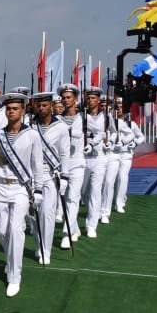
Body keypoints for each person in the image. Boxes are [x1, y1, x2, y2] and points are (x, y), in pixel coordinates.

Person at [0, 92, 45, 296]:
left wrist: (38, 190)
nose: (11, 112)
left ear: (22, 111)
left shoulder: (31, 135)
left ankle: (15, 276)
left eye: (15, 108)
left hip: (20, 188)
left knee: (16, 229)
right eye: (8, 108)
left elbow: (37, 165)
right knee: (2, 232)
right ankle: (11, 260)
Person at [30, 92, 69, 265]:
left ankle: (46, 250)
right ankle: (39, 244)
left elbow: (64, 152)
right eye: (39, 105)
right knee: (33, 215)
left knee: (48, 213)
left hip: (50, 173)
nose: (41, 108)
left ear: (51, 106)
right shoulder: (29, 125)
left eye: (45, 105)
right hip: (32, 174)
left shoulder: (60, 127)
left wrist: (65, 176)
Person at [56, 84, 86, 250]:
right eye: (64, 97)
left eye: (69, 97)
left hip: (78, 162)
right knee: (63, 198)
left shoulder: (84, 118)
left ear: (75, 99)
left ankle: (67, 233)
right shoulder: (57, 120)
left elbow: (99, 133)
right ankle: (73, 227)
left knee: (73, 197)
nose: (66, 100)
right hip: (61, 164)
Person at [80, 87, 108, 239]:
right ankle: (91, 213)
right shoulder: (81, 116)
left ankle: (92, 225)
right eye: (88, 98)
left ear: (98, 100)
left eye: (93, 98)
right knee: (83, 192)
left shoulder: (107, 117)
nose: (90, 101)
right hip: (83, 158)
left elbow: (109, 132)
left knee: (96, 192)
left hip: (99, 157)